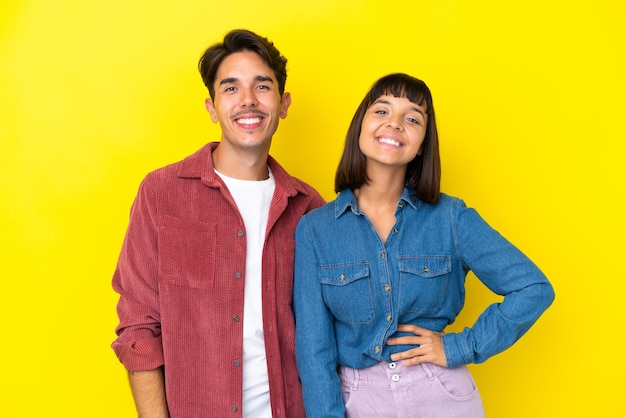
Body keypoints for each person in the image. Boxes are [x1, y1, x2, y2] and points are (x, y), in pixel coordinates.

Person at [293, 73, 555, 417]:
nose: (395, 124)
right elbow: (314, 349)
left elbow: (534, 288)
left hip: (441, 394)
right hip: (358, 399)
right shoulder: (316, 230)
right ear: (360, 126)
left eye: (412, 118)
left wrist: (460, 346)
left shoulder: (451, 217)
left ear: (422, 144)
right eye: (382, 111)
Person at [111, 29, 324, 418]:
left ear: (283, 103)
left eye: (262, 86)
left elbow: (330, 329)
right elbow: (138, 327)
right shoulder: (161, 194)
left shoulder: (309, 207)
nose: (248, 101)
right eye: (231, 88)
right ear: (211, 107)